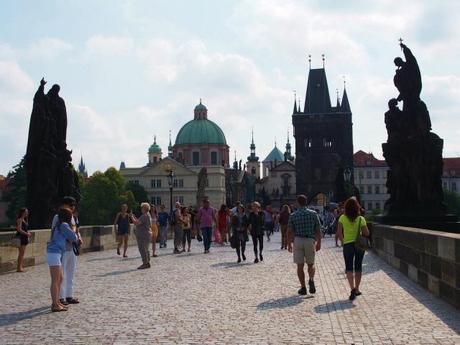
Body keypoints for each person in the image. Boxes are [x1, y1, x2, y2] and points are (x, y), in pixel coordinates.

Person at [337, 197, 370, 301]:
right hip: (359, 245)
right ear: (357, 207)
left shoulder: (342, 217)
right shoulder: (361, 219)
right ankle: (357, 289)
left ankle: (352, 289)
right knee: (358, 267)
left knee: (349, 267)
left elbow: (338, 233)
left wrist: (343, 242)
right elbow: (366, 233)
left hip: (347, 244)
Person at [287, 195, 321, 296]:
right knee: (311, 264)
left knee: (300, 266)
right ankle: (311, 279)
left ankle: (303, 288)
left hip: (298, 240)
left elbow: (289, 231)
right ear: (306, 202)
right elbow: (318, 230)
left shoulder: (293, 215)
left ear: (298, 203)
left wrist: (289, 244)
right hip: (310, 240)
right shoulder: (313, 214)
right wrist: (319, 242)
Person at [46, 207, 78, 312]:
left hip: (56, 253)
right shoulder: (64, 225)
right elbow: (74, 237)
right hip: (54, 253)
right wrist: (73, 227)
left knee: (60, 279)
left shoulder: (59, 225)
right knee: (55, 280)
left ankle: (57, 302)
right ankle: (54, 304)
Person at [51, 196, 81, 306]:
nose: (73, 207)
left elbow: (76, 229)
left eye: (73, 205)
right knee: (61, 274)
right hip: (62, 249)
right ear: (65, 205)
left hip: (72, 248)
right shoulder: (57, 217)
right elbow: (55, 232)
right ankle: (61, 297)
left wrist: (79, 237)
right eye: (71, 205)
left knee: (71, 273)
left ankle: (69, 295)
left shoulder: (73, 217)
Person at [130, 203, 152, 269]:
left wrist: (131, 217)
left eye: (142, 208)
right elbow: (139, 221)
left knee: (142, 249)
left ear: (144, 208)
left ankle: (145, 263)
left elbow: (136, 223)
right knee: (146, 249)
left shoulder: (144, 216)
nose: (141, 209)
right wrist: (134, 217)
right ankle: (147, 262)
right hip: (146, 234)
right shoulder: (147, 215)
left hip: (143, 235)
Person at [14, 208, 31, 272]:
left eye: (27, 212)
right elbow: (19, 229)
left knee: (22, 253)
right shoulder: (20, 220)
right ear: (22, 212)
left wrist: (27, 233)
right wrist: (27, 234)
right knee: (21, 253)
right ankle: (19, 268)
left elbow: (24, 229)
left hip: (24, 237)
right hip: (21, 238)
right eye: (26, 212)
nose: (27, 213)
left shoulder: (25, 220)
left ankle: (20, 267)